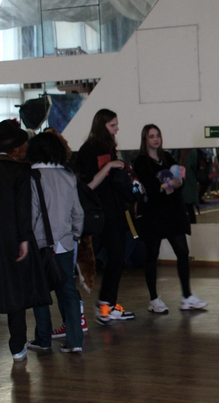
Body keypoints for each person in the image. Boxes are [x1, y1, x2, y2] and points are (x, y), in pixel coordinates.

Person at [133, 124, 207, 314]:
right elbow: (150, 188)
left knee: (182, 251)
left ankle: (187, 296)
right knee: (152, 254)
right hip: (152, 215)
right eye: (151, 136)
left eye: (157, 135)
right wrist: (168, 185)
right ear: (145, 139)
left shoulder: (167, 157)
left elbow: (178, 182)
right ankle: (153, 299)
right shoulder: (140, 161)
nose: (155, 139)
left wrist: (175, 183)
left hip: (172, 213)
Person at [26, 132, 85, 354]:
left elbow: (32, 215)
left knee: (40, 293)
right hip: (65, 243)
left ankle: (43, 339)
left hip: (40, 245)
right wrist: (74, 235)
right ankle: (75, 340)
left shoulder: (32, 176)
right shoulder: (68, 176)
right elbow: (78, 213)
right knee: (68, 291)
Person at [77, 109, 135, 325]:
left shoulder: (110, 148)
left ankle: (106, 307)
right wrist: (110, 166)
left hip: (115, 213)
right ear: (102, 126)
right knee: (85, 262)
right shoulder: (87, 151)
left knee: (118, 259)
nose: (117, 129)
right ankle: (75, 314)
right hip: (96, 215)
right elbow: (88, 186)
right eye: (113, 125)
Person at [0, 120, 52, 362]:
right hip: (11, 238)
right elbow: (24, 211)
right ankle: (17, 346)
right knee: (14, 292)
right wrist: (23, 239)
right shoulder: (20, 171)